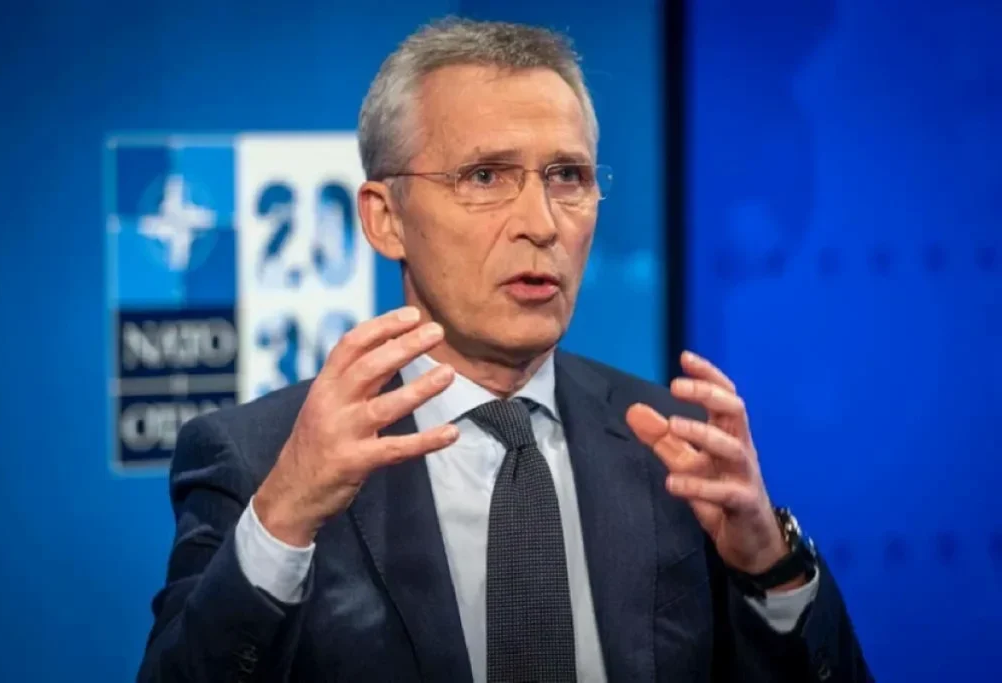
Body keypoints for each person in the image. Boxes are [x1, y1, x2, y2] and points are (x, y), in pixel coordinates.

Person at [137, 17, 871, 683]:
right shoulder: (260, 462)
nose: (541, 223)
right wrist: (283, 519)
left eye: (568, 176)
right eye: (485, 176)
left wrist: (769, 567)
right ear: (386, 218)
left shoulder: (673, 447)